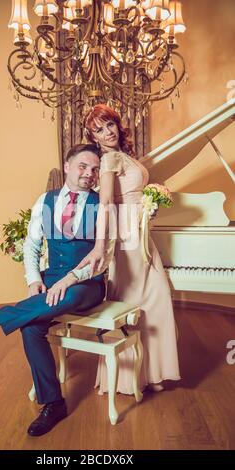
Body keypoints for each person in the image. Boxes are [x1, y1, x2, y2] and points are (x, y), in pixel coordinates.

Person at [0, 143, 106, 437]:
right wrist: (34, 279)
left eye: (95, 169)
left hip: (87, 282)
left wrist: (70, 279)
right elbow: (32, 244)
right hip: (51, 276)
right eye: (83, 166)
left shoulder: (102, 204)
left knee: (70, 295)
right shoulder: (46, 200)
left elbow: (102, 258)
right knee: (31, 328)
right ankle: (53, 403)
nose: (89, 173)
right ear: (68, 165)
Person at [76, 104, 180, 394]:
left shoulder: (125, 156)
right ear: (93, 137)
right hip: (127, 237)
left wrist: (150, 205)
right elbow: (107, 202)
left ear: (117, 125)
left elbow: (128, 196)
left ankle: (151, 374)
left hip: (141, 233)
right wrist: (101, 245)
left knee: (153, 298)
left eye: (109, 125)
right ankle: (126, 378)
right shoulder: (108, 159)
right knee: (136, 299)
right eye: (98, 129)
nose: (107, 132)